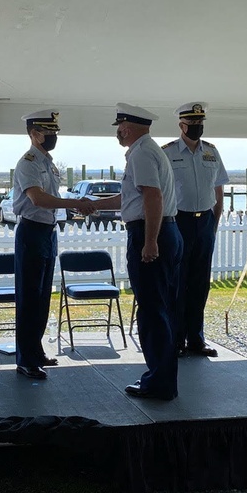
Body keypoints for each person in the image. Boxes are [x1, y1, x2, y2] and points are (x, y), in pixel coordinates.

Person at [91, 103, 183, 400]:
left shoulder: (142, 153)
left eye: (119, 128)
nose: (118, 133)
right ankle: (162, 378)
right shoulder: (150, 150)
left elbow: (152, 197)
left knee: (153, 311)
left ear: (127, 128)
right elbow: (131, 197)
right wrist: (90, 204)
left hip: (150, 231)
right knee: (162, 309)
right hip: (165, 230)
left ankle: (158, 382)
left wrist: (150, 241)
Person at [12, 110, 94, 380]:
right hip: (31, 231)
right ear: (34, 134)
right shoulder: (29, 163)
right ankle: (25, 359)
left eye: (55, 132)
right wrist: (76, 204)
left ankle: (35, 351)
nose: (53, 137)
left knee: (43, 296)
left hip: (48, 231)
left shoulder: (48, 162)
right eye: (48, 132)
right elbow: (39, 199)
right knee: (29, 297)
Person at [162, 102, 229, 358]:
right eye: (192, 125)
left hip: (205, 222)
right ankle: (176, 338)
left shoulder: (211, 152)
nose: (197, 128)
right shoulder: (167, 153)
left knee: (200, 283)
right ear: (181, 126)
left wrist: (215, 221)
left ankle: (196, 339)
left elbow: (219, 189)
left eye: (200, 124)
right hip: (179, 221)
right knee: (177, 282)